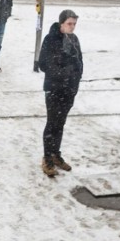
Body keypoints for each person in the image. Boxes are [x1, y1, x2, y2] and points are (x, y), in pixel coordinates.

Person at [38, 9, 83, 177]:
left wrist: (75, 82)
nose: (72, 27)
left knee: (61, 123)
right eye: (69, 24)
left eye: (74, 24)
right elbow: (43, 64)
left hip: (69, 89)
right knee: (52, 123)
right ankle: (47, 157)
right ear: (61, 23)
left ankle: (56, 154)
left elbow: (80, 62)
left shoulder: (74, 39)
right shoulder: (51, 39)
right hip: (54, 88)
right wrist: (63, 72)